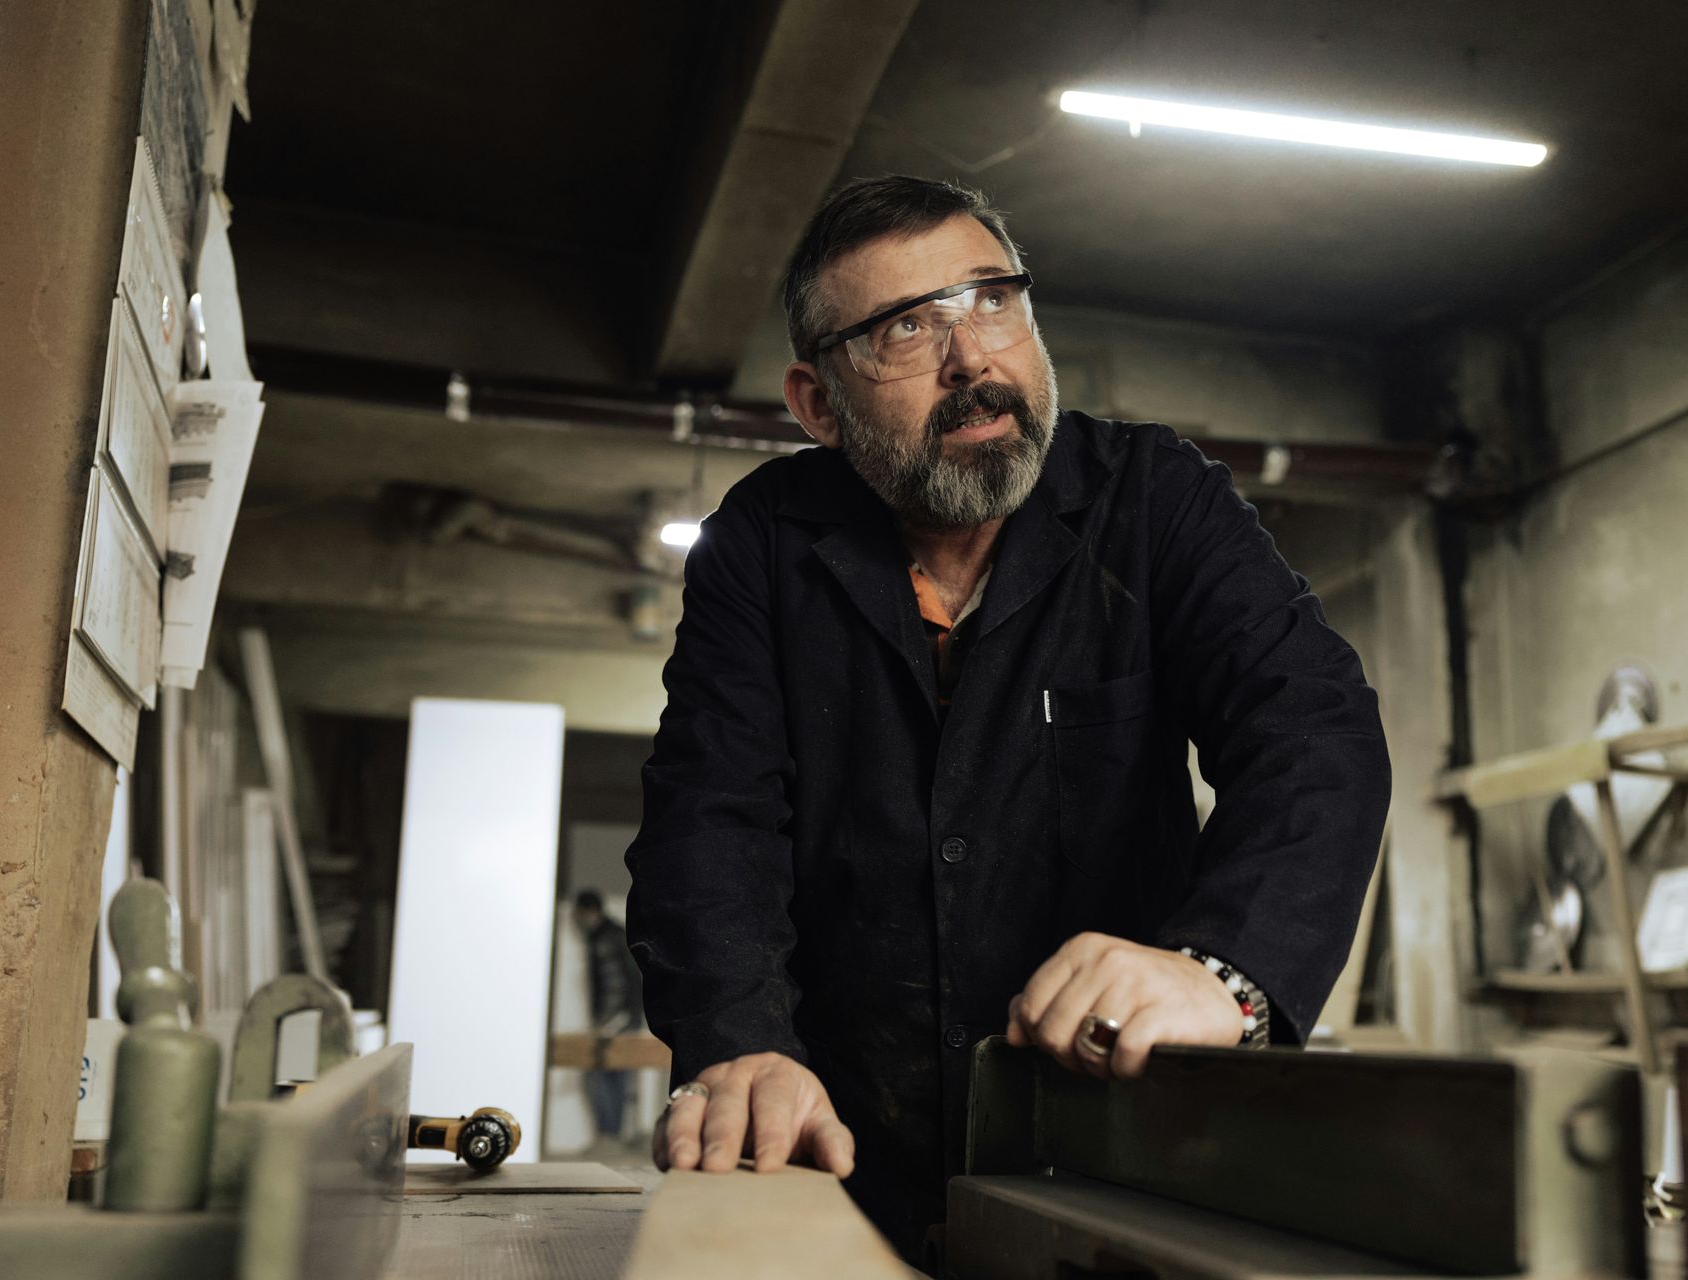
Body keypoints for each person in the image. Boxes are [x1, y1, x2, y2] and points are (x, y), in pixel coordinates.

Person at [625, 175, 1392, 1257]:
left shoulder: (1155, 499)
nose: (974, 358)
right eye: (907, 327)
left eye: (993, 299)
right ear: (816, 404)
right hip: (841, 1158)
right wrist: (738, 1047)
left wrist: (1222, 968)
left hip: (1121, 1150)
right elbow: (712, 818)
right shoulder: (764, 542)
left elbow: (1314, 735)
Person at [573, 890, 642, 1140]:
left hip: (618, 1020)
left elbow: (620, 982)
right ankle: (610, 1133)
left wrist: (614, 1020)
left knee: (611, 1075)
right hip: (618, 1019)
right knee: (612, 1075)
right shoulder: (609, 935)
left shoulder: (607, 938)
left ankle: (610, 1134)